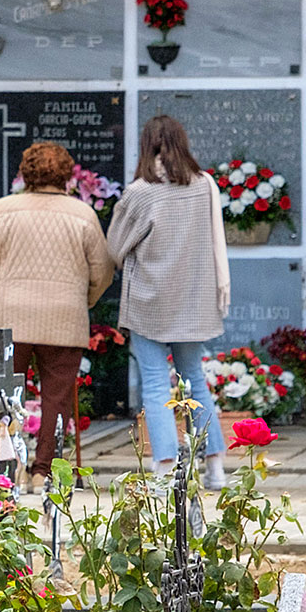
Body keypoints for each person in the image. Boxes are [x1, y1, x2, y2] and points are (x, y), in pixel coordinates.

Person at [0, 141, 113, 495]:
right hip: (65, 318)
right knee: (57, 399)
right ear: (66, 175)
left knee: (4, 397)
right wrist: (82, 299)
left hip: (9, 317)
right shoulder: (83, 215)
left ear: (25, 173)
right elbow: (103, 270)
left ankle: (10, 471)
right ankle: (45, 471)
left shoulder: (4, 209)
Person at [107, 114, 231, 489]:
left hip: (149, 301)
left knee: (157, 386)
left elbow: (115, 246)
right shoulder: (204, 184)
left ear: (147, 145)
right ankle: (216, 467)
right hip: (194, 300)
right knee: (195, 379)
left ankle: (164, 470)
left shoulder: (140, 192)